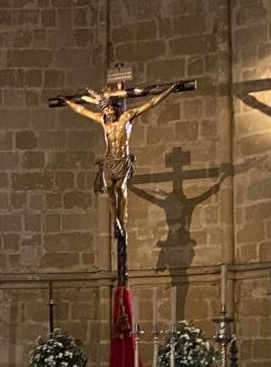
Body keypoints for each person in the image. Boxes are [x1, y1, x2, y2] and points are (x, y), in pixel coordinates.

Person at [58, 81, 180, 285]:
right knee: (110, 191)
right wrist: (66, 101)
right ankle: (116, 222)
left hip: (122, 160)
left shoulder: (126, 118)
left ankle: (121, 224)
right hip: (110, 161)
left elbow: (151, 103)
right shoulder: (103, 121)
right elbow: (81, 110)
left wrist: (169, 91)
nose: (108, 114)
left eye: (110, 110)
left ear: (114, 108)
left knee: (121, 189)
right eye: (105, 111)